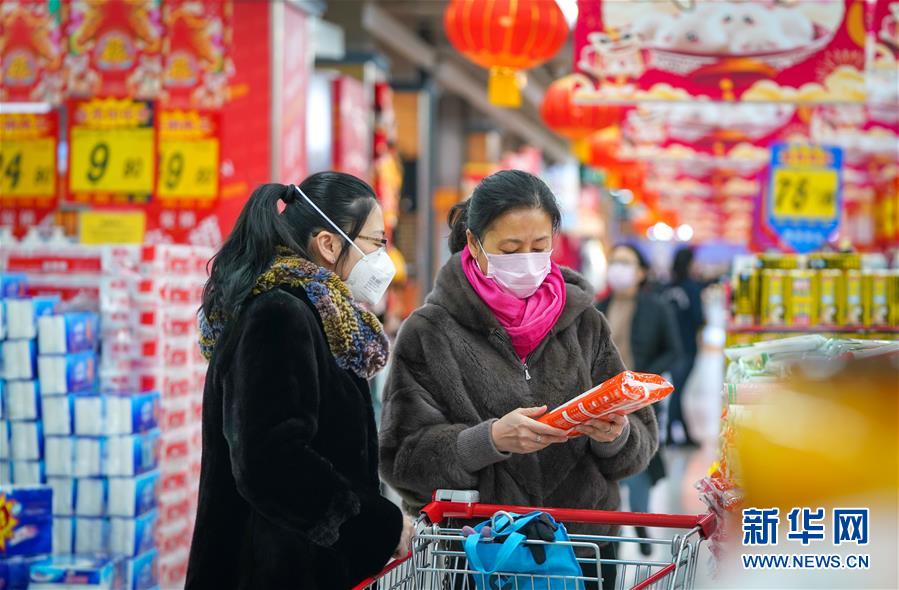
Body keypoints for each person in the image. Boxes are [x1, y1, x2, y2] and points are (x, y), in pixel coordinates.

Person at [379, 170, 659, 590]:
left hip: (580, 554)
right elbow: (402, 460)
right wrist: (488, 441)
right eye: (510, 248)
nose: (526, 260)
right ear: (474, 243)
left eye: (539, 246)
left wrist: (614, 435)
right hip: (478, 556)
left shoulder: (584, 323)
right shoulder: (430, 332)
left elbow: (641, 440)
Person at [186, 173, 412, 590]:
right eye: (377, 243)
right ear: (328, 244)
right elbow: (270, 460)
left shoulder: (318, 316)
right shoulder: (279, 315)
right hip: (268, 572)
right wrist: (379, 525)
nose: (385, 258)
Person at [596, 244, 682, 555]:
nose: (618, 268)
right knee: (607, 464)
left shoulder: (656, 309)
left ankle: (639, 517)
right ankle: (613, 526)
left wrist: (645, 380)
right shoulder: (598, 308)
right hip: (603, 402)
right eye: (615, 261)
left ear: (641, 272)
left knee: (639, 464)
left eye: (626, 263)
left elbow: (674, 350)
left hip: (641, 401)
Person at [662, 246, 705, 447]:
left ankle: (675, 432)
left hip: (669, 347)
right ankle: (674, 434)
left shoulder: (666, 288)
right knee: (679, 391)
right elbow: (699, 318)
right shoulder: (692, 288)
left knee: (675, 389)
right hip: (687, 347)